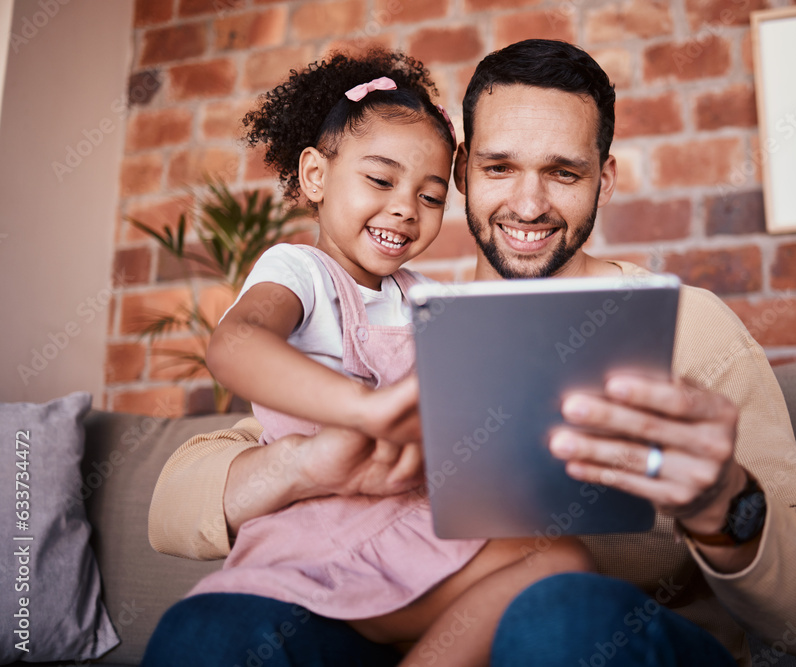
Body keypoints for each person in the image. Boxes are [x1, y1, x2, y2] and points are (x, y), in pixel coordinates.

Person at [144, 40, 796, 667]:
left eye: (564, 173)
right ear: (461, 175)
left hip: (596, 635)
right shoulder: (414, 321)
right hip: (414, 629)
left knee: (556, 611)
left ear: (604, 180)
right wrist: (300, 463)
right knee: (211, 632)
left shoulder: (687, 326)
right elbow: (176, 501)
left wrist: (722, 501)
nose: (528, 202)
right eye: (498, 168)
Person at [158, 48, 593, 667]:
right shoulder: (301, 271)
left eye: (432, 195)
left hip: (414, 525)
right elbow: (234, 346)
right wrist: (367, 409)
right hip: (317, 533)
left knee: (565, 558)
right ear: (315, 175)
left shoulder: (431, 301)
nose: (404, 209)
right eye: (381, 180)